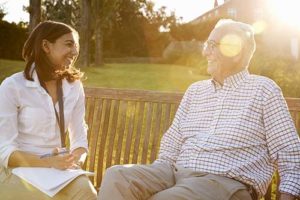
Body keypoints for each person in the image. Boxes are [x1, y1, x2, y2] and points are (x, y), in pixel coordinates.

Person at [98, 19, 300, 200]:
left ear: (237, 52)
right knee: (117, 177)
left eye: (213, 45)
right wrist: (159, 171)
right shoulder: (196, 91)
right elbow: (173, 139)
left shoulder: (264, 90)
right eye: (207, 44)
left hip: (225, 182)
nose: (205, 52)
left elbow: (291, 154)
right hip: (175, 173)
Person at [0, 21, 97, 199]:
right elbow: (5, 151)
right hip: (16, 170)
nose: (75, 52)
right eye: (69, 44)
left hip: (57, 170)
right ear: (46, 46)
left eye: (76, 46)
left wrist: (73, 160)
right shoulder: (12, 86)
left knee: (87, 193)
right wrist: (48, 162)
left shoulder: (74, 86)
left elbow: (80, 138)